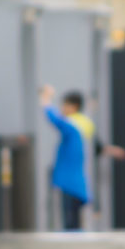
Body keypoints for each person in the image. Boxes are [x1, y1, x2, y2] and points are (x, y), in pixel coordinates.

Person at [41, 86, 91, 231]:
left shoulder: (72, 125)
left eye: (64, 105)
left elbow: (54, 118)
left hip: (69, 182)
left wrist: (46, 98)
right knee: (75, 221)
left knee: (70, 223)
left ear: (74, 106)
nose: (62, 108)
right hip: (78, 182)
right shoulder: (84, 123)